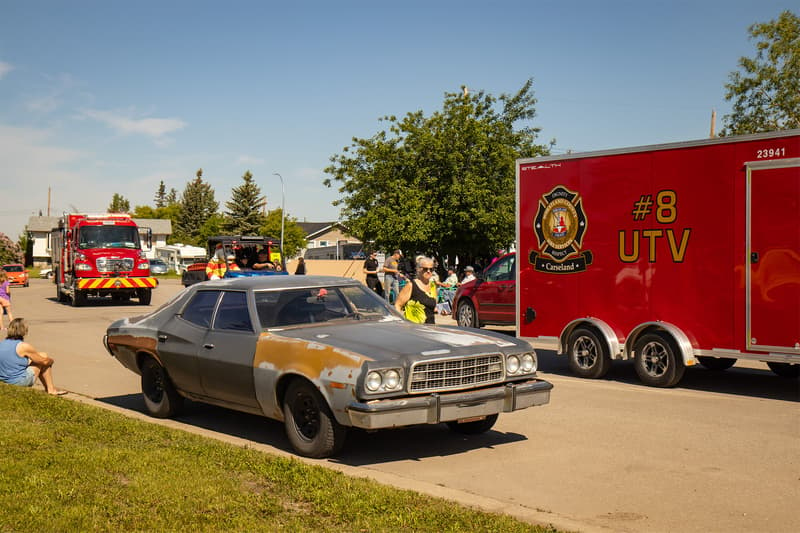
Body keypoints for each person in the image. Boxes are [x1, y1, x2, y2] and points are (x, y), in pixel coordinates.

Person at [0, 318, 66, 395]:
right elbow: (44, 361)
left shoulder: (2, 343)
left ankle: (49, 388)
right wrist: (51, 360)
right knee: (44, 357)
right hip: (18, 381)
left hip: (3, 380)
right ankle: (51, 390)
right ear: (24, 331)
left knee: (40, 358)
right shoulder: (23, 346)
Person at [395, 256, 437, 324]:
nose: (428, 271)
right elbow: (398, 305)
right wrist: (401, 322)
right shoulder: (411, 285)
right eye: (425, 269)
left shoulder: (432, 286)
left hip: (430, 327)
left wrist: (441, 310)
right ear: (419, 269)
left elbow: (432, 307)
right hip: (413, 328)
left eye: (431, 269)